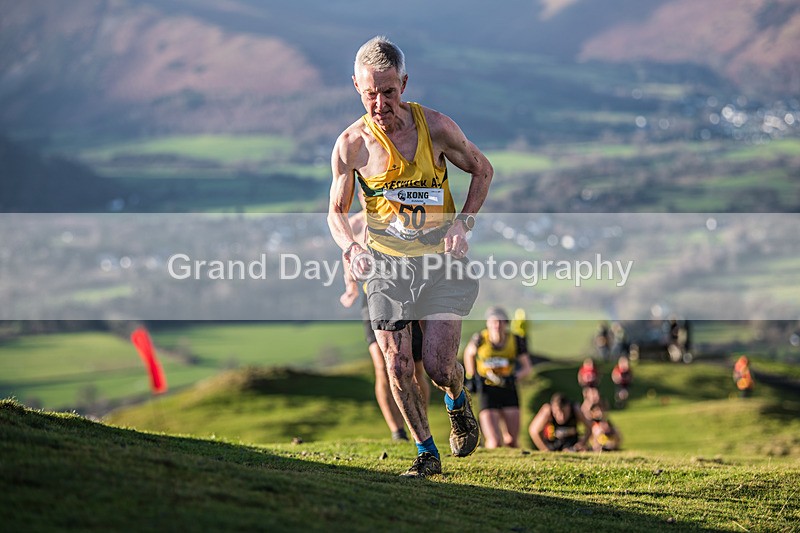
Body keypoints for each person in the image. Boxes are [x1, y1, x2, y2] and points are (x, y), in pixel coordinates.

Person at [328, 36, 494, 477]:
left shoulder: (435, 127)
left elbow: (483, 169)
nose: (379, 104)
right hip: (386, 266)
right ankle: (426, 453)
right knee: (397, 363)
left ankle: (457, 399)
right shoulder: (352, 145)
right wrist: (351, 247)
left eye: (388, 91)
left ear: (404, 83)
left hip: (440, 262)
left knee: (438, 366)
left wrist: (463, 224)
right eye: (370, 93)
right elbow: (336, 212)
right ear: (356, 87)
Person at [339, 196, 430, 441]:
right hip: (372, 299)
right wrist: (351, 287)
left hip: (408, 296)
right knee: (383, 366)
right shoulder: (355, 224)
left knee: (415, 369)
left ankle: (421, 426)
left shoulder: (398, 217)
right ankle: (397, 432)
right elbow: (348, 257)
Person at [463, 306, 532, 448]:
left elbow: (527, 368)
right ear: (487, 323)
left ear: (506, 323)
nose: (497, 325)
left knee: (511, 440)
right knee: (494, 441)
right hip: (487, 390)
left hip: (508, 389)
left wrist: (513, 378)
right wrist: (471, 376)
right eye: (494, 321)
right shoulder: (480, 338)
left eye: (501, 321)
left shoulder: (515, 340)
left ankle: (515, 461)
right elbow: (469, 353)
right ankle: (491, 460)